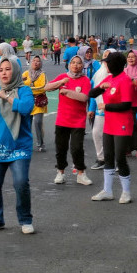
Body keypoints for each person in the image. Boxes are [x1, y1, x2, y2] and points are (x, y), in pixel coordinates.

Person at [0, 56, 35, 234]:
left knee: (20, 183)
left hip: (19, 147)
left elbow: (26, 108)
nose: (4, 73)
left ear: (15, 71)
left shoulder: (24, 90)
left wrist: (7, 97)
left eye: (8, 69)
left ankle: (25, 220)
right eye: (1, 70)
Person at [88, 52, 134, 203]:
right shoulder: (109, 79)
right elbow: (91, 93)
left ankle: (126, 192)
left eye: (108, 62)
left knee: (120, 157)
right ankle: (107, 190)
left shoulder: (125, 80)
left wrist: (106, 106)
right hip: (109, 124)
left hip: (122, 124)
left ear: (116, 64)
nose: (106, 65)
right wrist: (101, 86)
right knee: (108, 156)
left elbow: (126, 105)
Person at [44, 55, 93, 185]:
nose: (75, 65)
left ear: (83, 66)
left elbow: (84, 98)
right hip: (62, 119)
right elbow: (46, 87)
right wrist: (61, 83)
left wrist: (67, 93)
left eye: (78, 63)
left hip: (78, 120)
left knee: (77, 148)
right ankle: (60, 172)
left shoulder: (85, 80)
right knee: (61, 147)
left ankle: (81, 173)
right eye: (73, 62)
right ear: (69, 65)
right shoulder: (63, 77)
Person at [88, 49, 114, 170]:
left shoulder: (118, 74)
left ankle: (115, 160)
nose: (106, 59)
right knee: (96, 133)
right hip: (100, 110)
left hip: (114, 110)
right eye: (105, 56)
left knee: (114, 136)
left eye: (109, 56)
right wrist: (91, 108)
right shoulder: (98, 74)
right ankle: (101, 158)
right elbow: (94, 93)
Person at [22, 55, 48, 152]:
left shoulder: (42, 74)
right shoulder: (25, 73)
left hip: (38, 102)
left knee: (38, 122)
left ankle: (40, 143)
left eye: (38, 61)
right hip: (27, 101)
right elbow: (20, 85)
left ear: (41, 63)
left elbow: (43, 87)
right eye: (34, 61)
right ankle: (26, 143)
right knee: (26, 123)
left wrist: (28, 89)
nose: (36, 62)